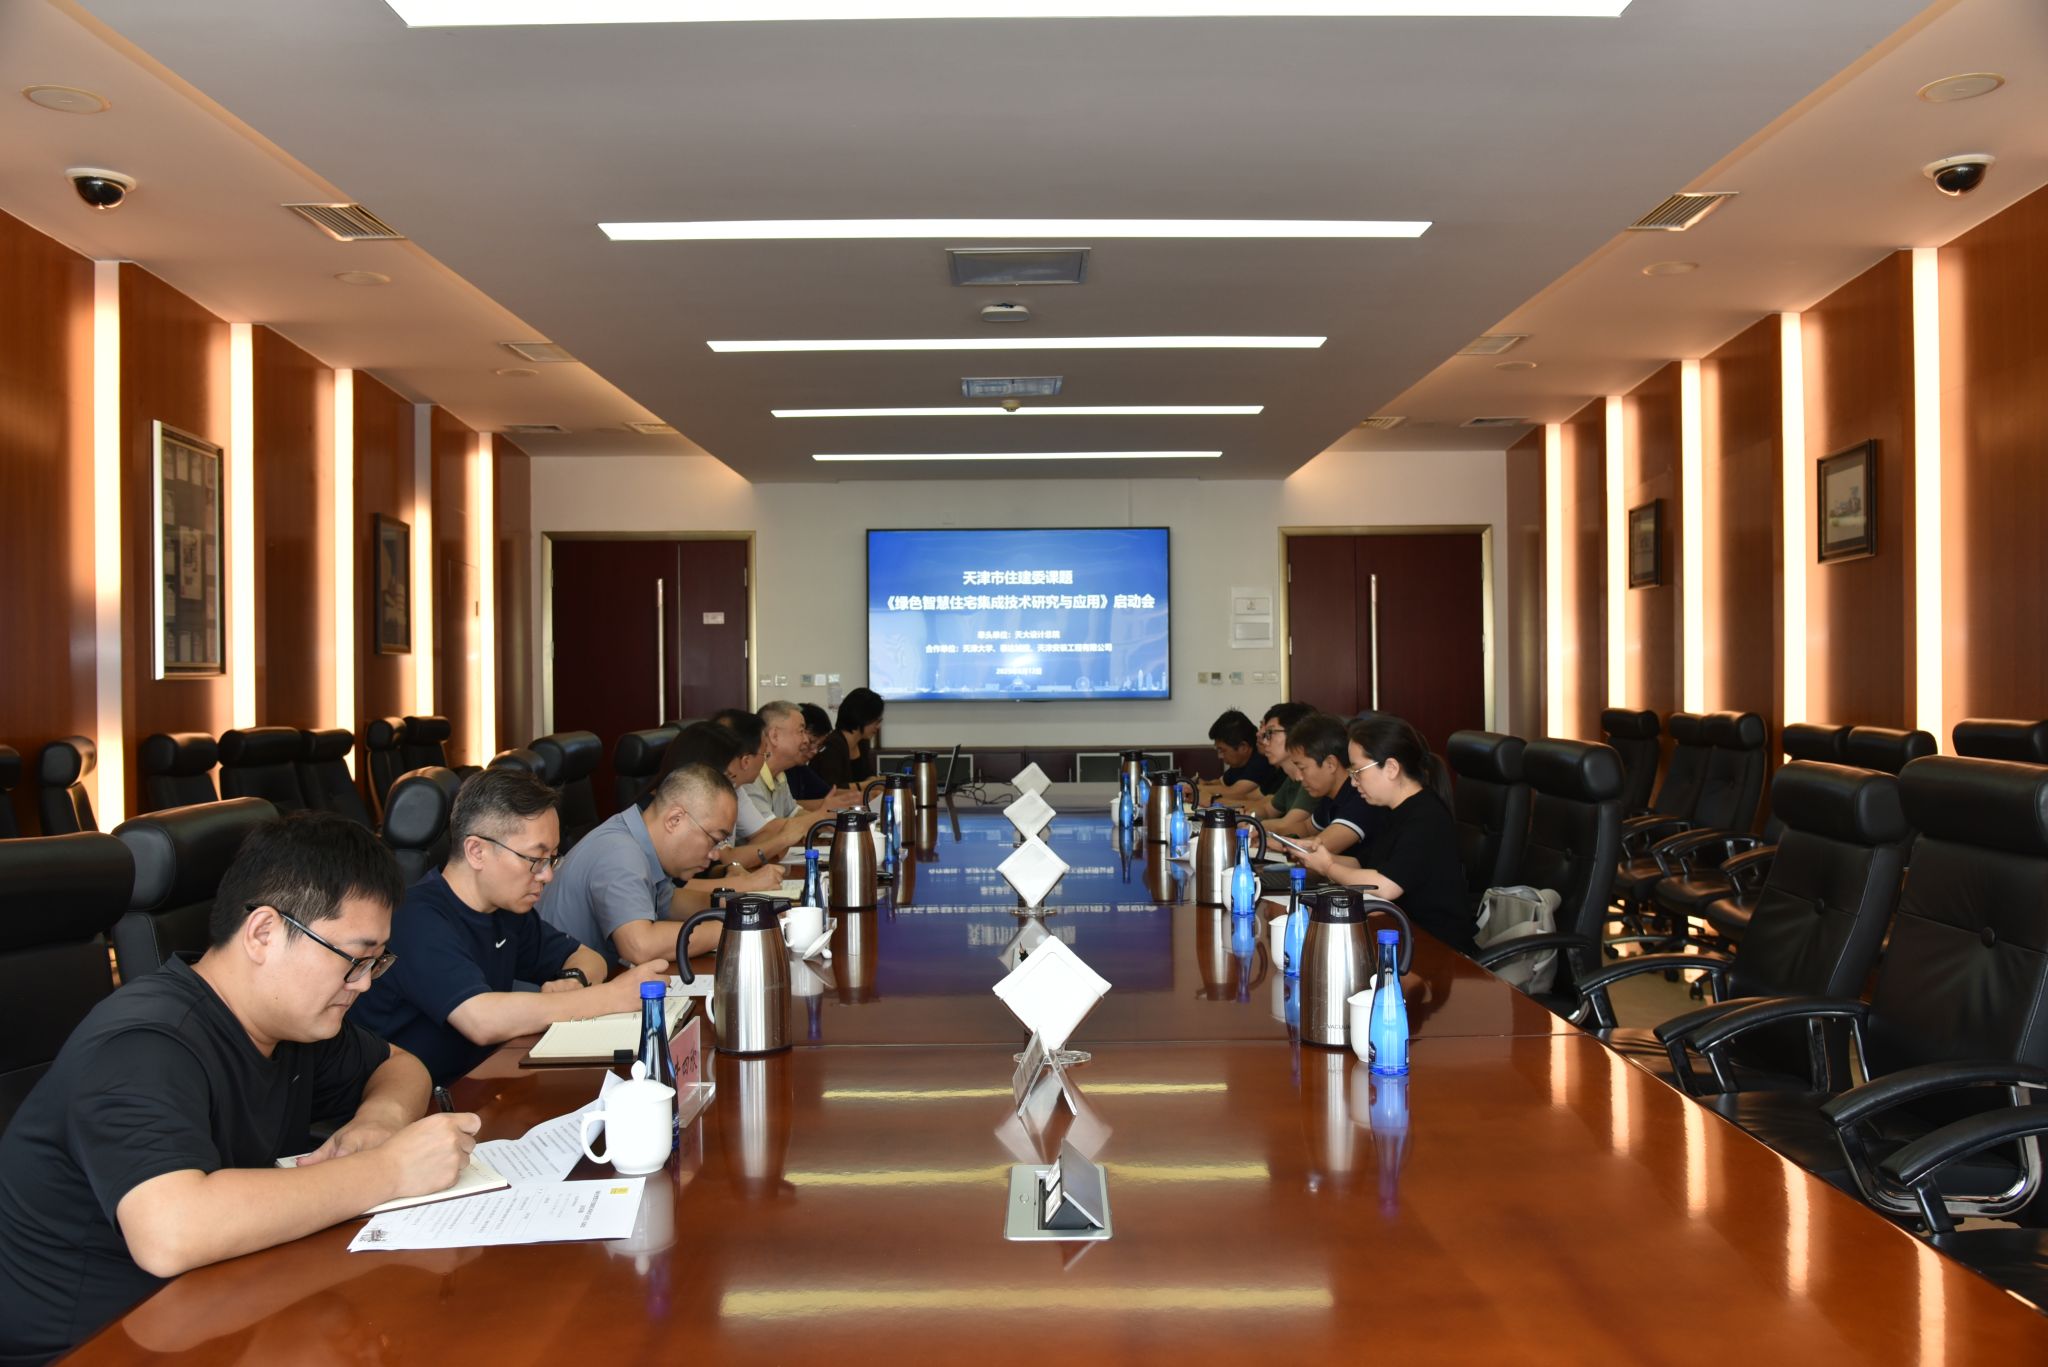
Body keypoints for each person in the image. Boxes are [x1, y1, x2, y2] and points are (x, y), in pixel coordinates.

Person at [0, 814, 480, 1364]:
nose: (365, 983)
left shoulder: (289, 1024)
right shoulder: (144, 1044)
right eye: (353, 959)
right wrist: (388, 1170)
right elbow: (170, 1232)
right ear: (263, 933)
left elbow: (400, 1065)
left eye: (375, 963)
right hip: (94, 1342)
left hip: (212, 1305)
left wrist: (380, 1121)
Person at [352, 770, 667, 1085]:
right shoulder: (416, 919)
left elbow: (588, 957)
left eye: (552, 859)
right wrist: (611, 997)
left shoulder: (505, 910)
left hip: (483, 1080)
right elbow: (482, 1020)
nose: (547, 875)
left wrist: (574, 980)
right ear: (477, 851)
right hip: (419, 1098)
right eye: (535, 859)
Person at [1292, 715, 1473, 954]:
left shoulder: (1426, 816)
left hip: (1436, 945)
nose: (1353, 782)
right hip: (1396, 931)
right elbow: (1363, 864)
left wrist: (1328, 867)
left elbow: (1386, 886)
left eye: (1358, 771)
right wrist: (1317, 854)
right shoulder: (1390, 809)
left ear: (1391, 768)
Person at [541, 762, 738, 969]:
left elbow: (669, 902)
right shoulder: (620, 852)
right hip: (551, 984)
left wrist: (733, 906)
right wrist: (732, 929)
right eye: (714, 840)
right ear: (675, 820)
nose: (715, 854)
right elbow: (639, 946)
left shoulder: (639, 840)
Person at [1283, 711, 1383, 858]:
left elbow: (1321, 846)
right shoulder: (1331, 796)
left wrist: (1275, 843)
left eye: (1302, 768)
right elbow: (1306, 828)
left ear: (1330, 764)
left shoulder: (1361, 796)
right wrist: (1266, 833)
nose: (1298, 777)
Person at [1236, 702, 1319, 837]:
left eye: (1271, 733)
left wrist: (1252, 824)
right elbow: (1267, 810)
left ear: (1296, 734)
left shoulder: (1311, 778)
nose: (1264, 742)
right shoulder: (1291, 778)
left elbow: (1287, 825)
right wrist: (1249, 817)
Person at [1197, 709, 1280, 804]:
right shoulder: (1240, 762)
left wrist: (1197, 789)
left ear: (1243, 747)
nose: (1220, 756)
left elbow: (1238, 793)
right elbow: (1224, 783)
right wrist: (1205, 785)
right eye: (1261, 727)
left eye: (1222, 750)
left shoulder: (1262, 759)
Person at [813, 687, 884, 787]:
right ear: (862, 718)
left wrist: (873, 781)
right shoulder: (832, 745)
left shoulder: (862, 742)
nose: (878, 727)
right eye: (876, 721)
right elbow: (833, 788)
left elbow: (868, 774)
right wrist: (868, 784)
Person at [783, 702, 836, 804]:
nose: (815, 751)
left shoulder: (799, 767)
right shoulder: (780, 768)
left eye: (819, 746)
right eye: (811, 742)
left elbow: (827, 793)